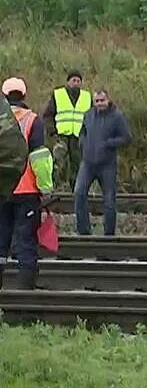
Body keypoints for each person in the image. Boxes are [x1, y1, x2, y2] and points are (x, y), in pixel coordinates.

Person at [1, 77, 53, 289]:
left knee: (1, 239)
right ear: (24, 96)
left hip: (2, 190)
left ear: (4, 97)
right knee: (25, 239)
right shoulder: (33, 121)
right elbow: (39, 158)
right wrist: (46, 188)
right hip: (27, 190)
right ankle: (25, 287)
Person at [73, 90, 131, 236]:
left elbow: (126, 137)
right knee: (79, 193)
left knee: (109, 201)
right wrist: (83, 142)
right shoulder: (88, 114)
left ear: (108, 100)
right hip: (87, 163)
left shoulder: (117, 116)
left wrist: (108, 144)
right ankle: (84, 231)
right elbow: (82, 132)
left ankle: (109, 235)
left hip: (107, 164)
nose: (99, 104)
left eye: (102, 100)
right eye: (97, 101)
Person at [43, 70, 88, 192]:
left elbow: (91, 117)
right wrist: (52, 131)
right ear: (68, 82)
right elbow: (48, 115)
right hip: (61, 135)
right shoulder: (58, 94)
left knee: (78, 165)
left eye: (78, 81)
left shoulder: (86, 97)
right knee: (59, 163)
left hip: (78, 136)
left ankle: (77, 190)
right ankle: (59, 189)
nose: (76, 83)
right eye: (74, 80)